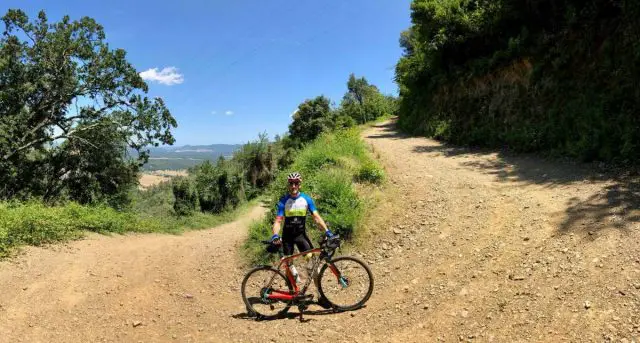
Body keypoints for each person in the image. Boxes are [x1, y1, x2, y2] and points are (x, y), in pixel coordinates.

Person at [271, 172, 334, 282]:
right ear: (288, 185)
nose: (293, 186)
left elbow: (316, 217)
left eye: (296, 183)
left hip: (301, 236)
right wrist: (275, 235)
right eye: (291, 183)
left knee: (313, 264)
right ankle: (293, 292)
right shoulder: (283, 201)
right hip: (287, 237)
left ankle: (319, 294)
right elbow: (278, 221)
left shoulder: (306, 199)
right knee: (289, 267)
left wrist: (327, 231)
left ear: (300, 184)